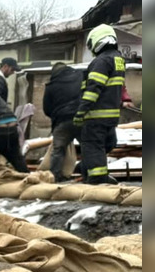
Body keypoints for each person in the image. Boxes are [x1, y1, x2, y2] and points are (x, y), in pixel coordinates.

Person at [74, 24, 126, 185]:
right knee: (107, 143)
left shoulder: (102, 61)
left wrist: (81, 112)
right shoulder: (118, 60)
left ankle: (97, 178)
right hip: (111, 116)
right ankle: (87, 169)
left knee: (91, 145)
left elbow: (93, 88)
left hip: (95, 115)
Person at [42, 61, 84, 182]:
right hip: (81, 118)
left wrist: (57, 116)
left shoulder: (51, 85)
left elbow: (47, 109)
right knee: (87, 147)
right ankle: (88, 174)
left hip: (62, 121)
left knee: (58, 150)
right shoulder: (80, 77)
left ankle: (55, 176)